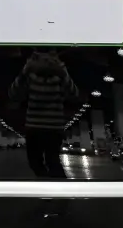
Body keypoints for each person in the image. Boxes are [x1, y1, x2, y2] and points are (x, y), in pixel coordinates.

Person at [10, 50, 77, 178]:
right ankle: (52, 185)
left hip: (50, 129)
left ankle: (58, 187)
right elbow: (13, 94)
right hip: (38, 128)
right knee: (37, 162)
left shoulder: (60, 75)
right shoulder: (30, 76)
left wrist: (63, 74)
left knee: (51, 162)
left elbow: (74, 94)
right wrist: (24, 73)